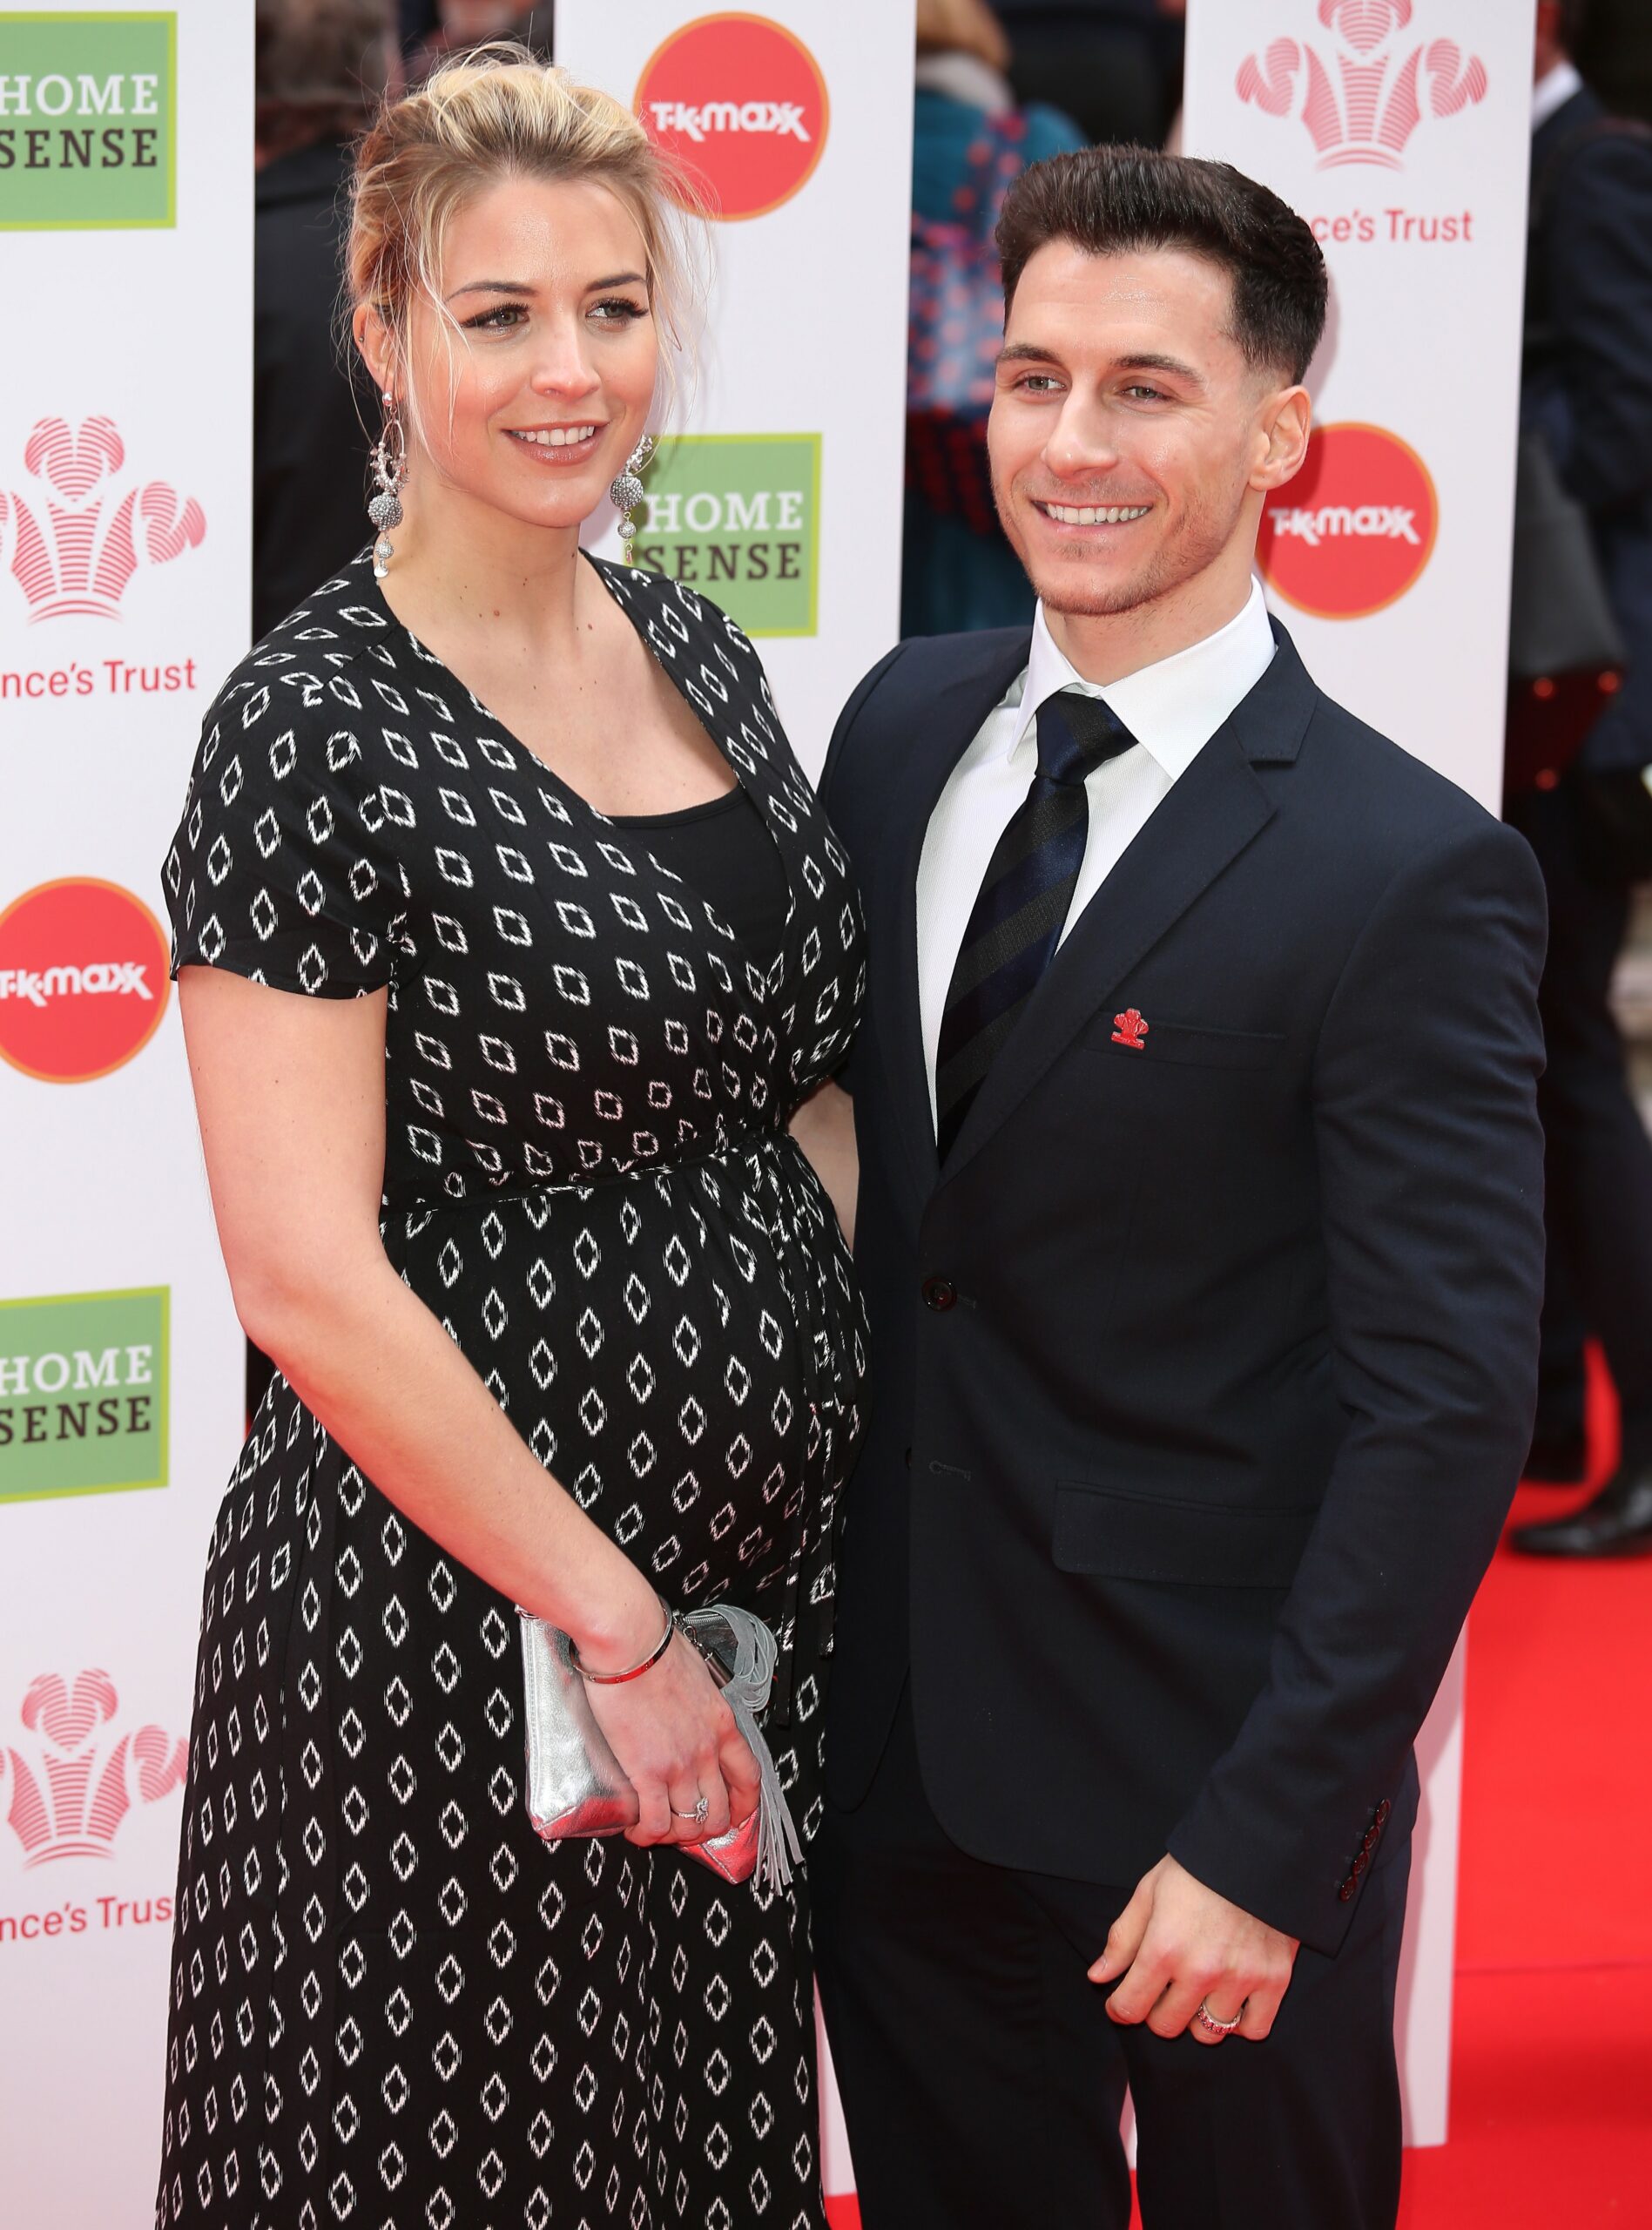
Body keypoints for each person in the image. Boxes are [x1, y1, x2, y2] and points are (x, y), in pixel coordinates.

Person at [152, 51, 866, 2230]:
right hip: (454, 1647)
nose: (573, 372)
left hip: (741, 1629)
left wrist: (762, 1420)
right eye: (499, 315)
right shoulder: (310, 728)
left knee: (668, 2165)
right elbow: (302, 1273)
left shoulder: (700, 649)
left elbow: (798, 1085)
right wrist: (617, 1628)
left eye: (617, 306)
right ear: (381, 328)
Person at [809, 147, 1547, 2230]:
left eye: (1146, 386)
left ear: (1280, 427)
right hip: (901, 1766)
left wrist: (1270, 1834)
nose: (1070, 441)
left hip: (1206, 1793)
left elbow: (1443, 1401)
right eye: (1033, 376)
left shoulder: (1404, 870)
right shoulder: (900, 726)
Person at [1507, 0, 1652, 1559]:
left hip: (1583, 695)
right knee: (1539, 1058)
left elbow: (1627, 428)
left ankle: (1638, 1440)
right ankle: (1548, 1407)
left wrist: (1483, 447)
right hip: (1537, 687)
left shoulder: (1591, 170)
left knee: (1571, 1066)